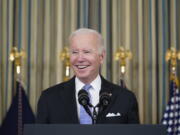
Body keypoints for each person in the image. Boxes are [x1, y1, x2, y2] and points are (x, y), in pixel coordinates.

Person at [36, 28, 139, 124]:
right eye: (75, 52)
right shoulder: (49, 98)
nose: (80, 58)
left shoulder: (125, 98)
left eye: (86, 52)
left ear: (101, 57)